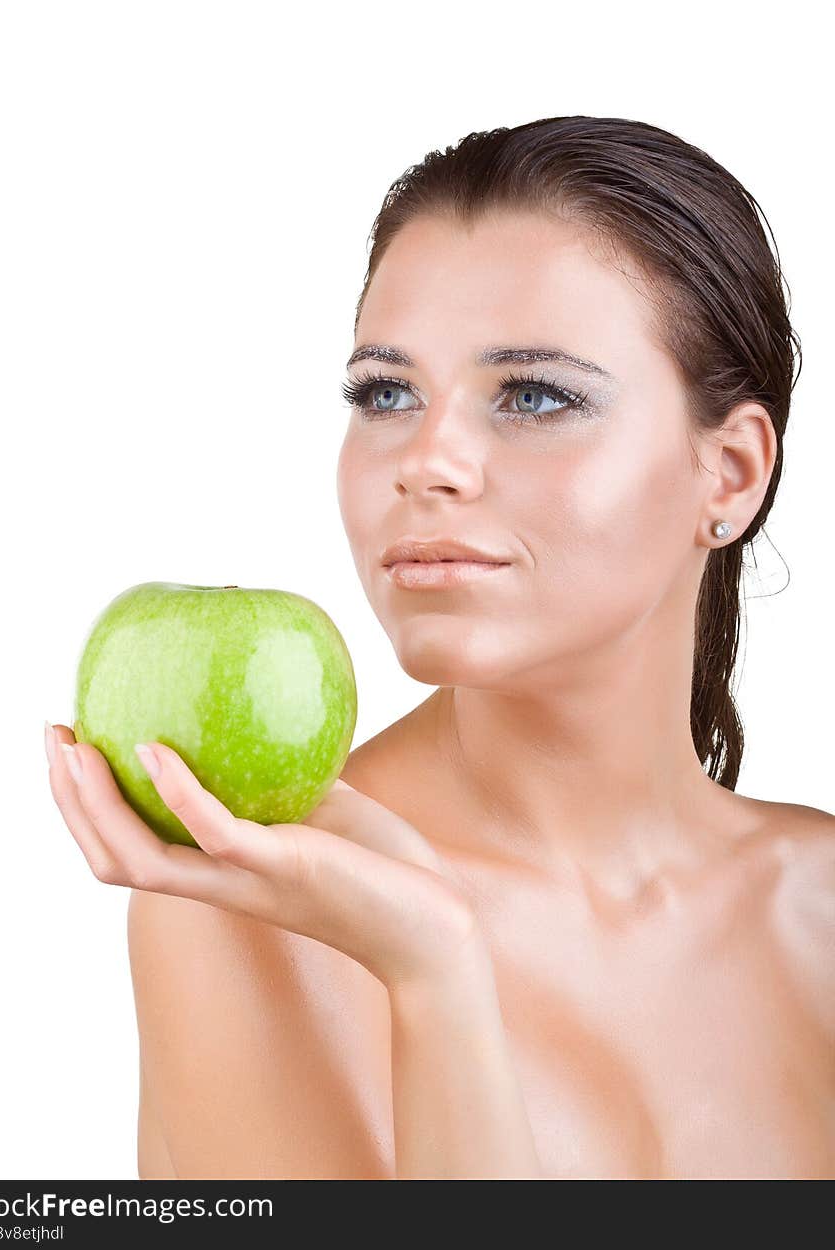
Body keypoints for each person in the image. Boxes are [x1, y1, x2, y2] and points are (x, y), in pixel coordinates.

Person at [45, 115, 835, 1180]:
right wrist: (433, 973)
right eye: (386, 393)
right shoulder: (245, 906)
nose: (427, 461)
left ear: (729, 474)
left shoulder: (816, 904)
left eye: (535, 394)